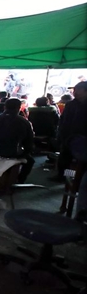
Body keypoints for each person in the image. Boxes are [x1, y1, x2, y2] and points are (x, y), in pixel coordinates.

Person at [0, 98, 35, 184]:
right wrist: (27, 152)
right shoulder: (24, 122)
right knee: (30, 161)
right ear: (19, 108)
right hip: (13, 152)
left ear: (5, 107)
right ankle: (20, 180)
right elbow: (29, 142)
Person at [57, 81, 87, 216]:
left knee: (81, 175)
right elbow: (63, 121)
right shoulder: (71, 104)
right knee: (68, 168)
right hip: (69, 141)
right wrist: (62, 136)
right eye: (74, 90)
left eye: (78, 90)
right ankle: (66, 195)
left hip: (83, 145)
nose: (75, 92)